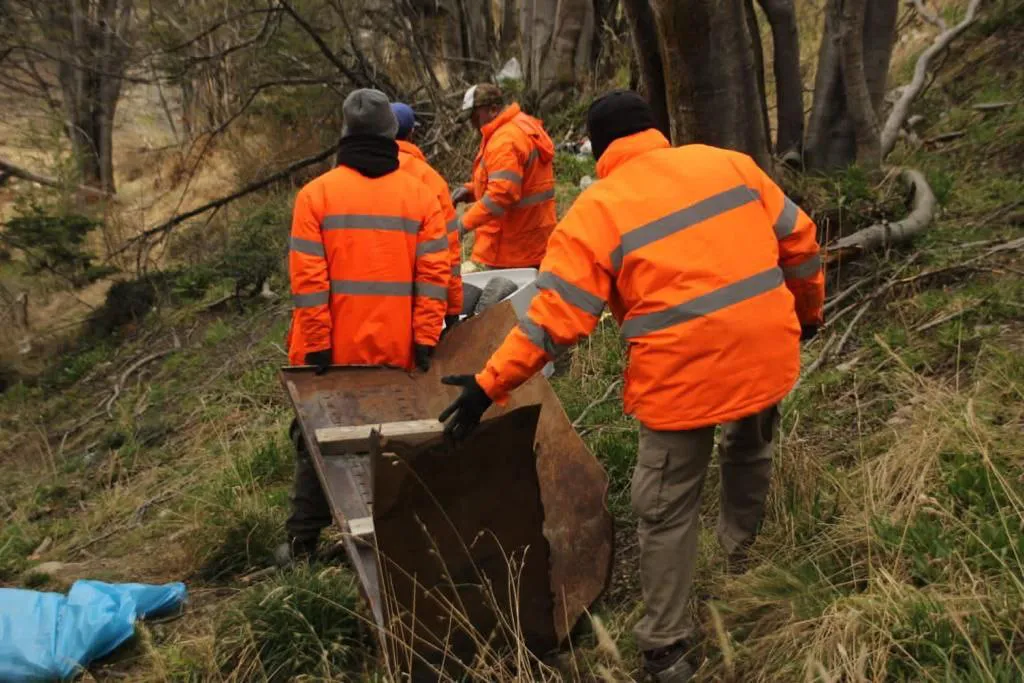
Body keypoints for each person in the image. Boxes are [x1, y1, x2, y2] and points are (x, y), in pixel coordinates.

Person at [438, 90, 825, 682]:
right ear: (655, 130)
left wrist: (487, 385)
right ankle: (740, 551)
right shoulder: (731, 164)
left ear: (596, 148)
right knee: (750, 443)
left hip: (681, 380)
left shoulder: (599, 210)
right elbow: (801, 242)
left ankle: (666, 649)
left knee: (666, 508)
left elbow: (553, 321)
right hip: (766, 350)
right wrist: (806, 315)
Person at [279, 88, 450, 564]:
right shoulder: (420, 196)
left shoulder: (315, 196)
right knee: (395, 444)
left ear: (345, 133)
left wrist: (316, 349)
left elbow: (309, 284)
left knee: (316, 443)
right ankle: (405, 541)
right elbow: (434, 279)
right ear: (393, 134)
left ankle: (301, 546)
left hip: (332, 353)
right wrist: (423, 341)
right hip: (397, 350)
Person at [451, 83, 556, 270]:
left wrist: (462, 225)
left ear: (492, 109)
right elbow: (514, 182)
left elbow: (501, 195)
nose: (473, 124)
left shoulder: (504, 140)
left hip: (515, 248)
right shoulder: (520, 125)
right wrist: (471, 191)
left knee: (510, 299)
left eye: (475, 117)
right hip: (530, 238)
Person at [391, 102, 463, 328]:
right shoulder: (429, 179)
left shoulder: (355, 174)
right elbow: (448, 250)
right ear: (412, 133)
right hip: (418, 309)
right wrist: (453, 311)